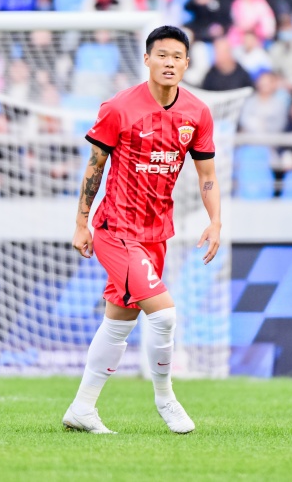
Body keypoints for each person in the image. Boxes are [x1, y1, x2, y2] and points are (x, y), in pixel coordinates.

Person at [63, 26, 221, 435]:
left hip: (156, 234)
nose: (169, 62)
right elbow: (95, 166)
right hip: (115, 229)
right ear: (147, 59)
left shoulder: (197, 113)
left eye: (177, 56)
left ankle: (82, 408)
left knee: (119, 321)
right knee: (164, 315)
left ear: (187, 63)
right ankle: (166, 399)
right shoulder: (119, 108)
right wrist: (81, 223)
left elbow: (207, 174)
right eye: (162, 55)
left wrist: (215, 220)